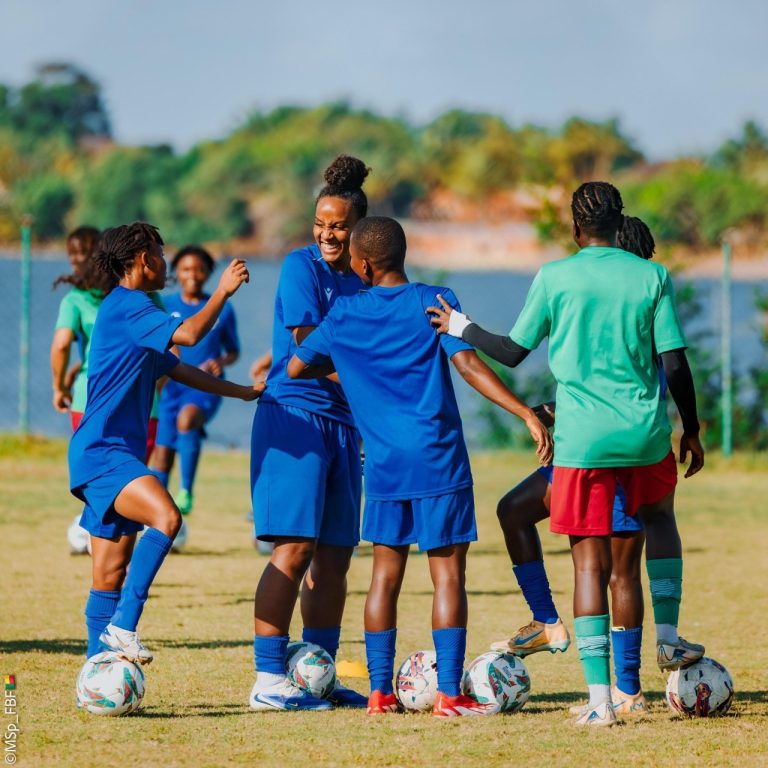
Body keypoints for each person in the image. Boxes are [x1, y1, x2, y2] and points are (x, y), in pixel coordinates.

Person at [428, 182, 705, 727]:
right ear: (619, 220)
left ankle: (601, 703)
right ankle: (656, 655)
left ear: (576, 229)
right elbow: (674, 365)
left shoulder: (556, 276)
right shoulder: (652, 276)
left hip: (582, 442)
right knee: (640, 547)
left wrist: (460, 326)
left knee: (588, 563)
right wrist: (690, 429)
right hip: (644, 438)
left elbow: (510, 352)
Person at [287, 216, 553, 717]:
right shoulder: (435, 299)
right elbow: (469, 364)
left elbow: (298, 366)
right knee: (448, 576)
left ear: (362, 264)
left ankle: (380, 692)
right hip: (438, 458)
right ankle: (449, 694)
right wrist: (524, 412)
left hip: (385, 465)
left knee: (384, 577)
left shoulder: (342, 314)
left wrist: (352, 362)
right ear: (400, 257)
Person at [489, 216, 668, 718]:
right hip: (620, 446)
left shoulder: (618, 287)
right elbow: (612, 375)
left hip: (588, 454)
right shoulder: (642, 288)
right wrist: (550, 410)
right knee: (518, 513)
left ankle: (615, 686)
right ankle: (562, 633)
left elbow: (610, 377)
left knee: (601, 568)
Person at [69, 221, 259, 667]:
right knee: (167, 516)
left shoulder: (131, 310)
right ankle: (124, 625)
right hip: (104, 452)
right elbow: (190, 335)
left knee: (108, 576)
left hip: (104, 452)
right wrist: (223, 291)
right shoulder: (131, 306)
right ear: (141, 260)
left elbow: (176, 367)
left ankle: (95, 674)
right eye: (160, 252)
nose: (165, 262)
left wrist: (241, 391)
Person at [248, 156, 371, 712]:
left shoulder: (365, 279)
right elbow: (306, 346)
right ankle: (268, 678)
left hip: (345, 425)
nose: (327, 233)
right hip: (295, 415)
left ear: (358, 229)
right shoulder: (301, 268)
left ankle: (317, 675)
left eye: (339, 225)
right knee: (295, 549)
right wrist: (380, 392)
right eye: (320, 223)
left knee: (336, 557)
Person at [150, 245, 241, 515]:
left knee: (187, 420)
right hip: (170, 386)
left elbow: (233, 351)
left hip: (204, 386)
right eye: (187, 268)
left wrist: (220, 362)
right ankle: (158, 510)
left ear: (208, 273)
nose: (193, 274)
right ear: (176, 271)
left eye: (199, 269)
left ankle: (186, 491)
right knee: (163, 452)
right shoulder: (164, 305)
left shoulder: (221, 308)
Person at [51, 226, 110, 430]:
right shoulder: (135, 294)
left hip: (88, 399)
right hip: (132, 403)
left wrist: (58, 387)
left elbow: (61, 344)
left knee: (89, 462)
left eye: (81, 253)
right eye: (70, 254)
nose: (74, 260)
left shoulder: (76, 299)